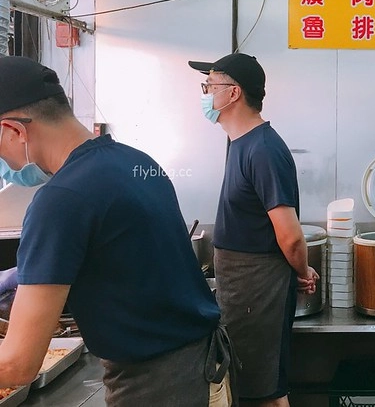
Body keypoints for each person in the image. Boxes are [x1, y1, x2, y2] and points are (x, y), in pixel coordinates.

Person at [0, 56, 232, 406]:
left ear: (14, 131)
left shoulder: (60, 199)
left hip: (158, 384)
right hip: (201, 363)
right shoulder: (135, 161)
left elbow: (18, 364)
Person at [188, 53, 318, 407]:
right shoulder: (239, 143)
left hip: (259, 290)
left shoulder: (263, 149)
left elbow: (289, 236)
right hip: (241, 287)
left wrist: (302, 271)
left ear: (233, 93)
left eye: (209, 85)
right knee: (250, 388)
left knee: (266, 394)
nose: (204, 93)